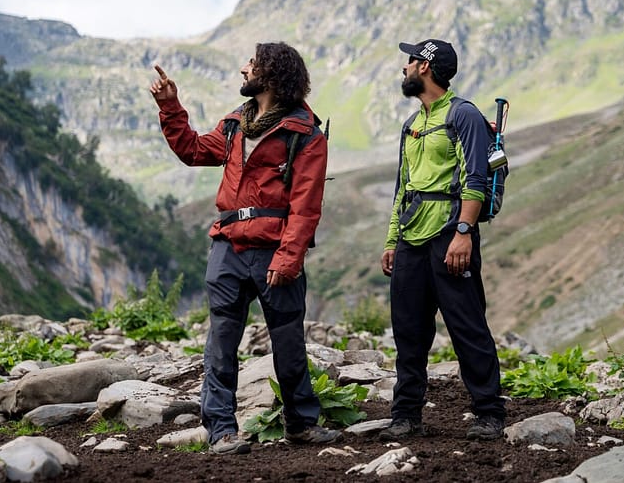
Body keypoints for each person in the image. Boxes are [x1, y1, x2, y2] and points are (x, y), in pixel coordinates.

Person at [150, 42, 340, 455]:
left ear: (270, 74)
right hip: (228, 247)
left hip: (275, 251)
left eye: (251, 64)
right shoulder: (236, 123)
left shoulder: (306, 134)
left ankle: (301, 425)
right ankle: (221, 430)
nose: (243, 69)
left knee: (288, 342)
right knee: (221, 343)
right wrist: (170, 107)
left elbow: (306, 205)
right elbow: (193, 151)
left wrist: (289, 258)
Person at [379, 38, 506, 442]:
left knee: (467, 326)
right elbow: (403, 187)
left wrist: (464, 233)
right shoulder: (412, 123)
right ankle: (405, 416)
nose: (404, 68)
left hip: (450, 235)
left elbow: (476, 179)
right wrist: (392, 240)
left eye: (410, 61)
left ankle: (489, 413)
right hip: (411, 240)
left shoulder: (463, 114)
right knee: (408, 332)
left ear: (425, 67)